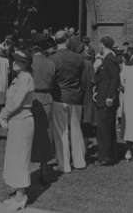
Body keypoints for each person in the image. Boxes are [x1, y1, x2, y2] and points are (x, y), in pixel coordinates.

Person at [0, 50, 35, 211]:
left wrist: (3, 115)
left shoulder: (25, 78)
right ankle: (17, 192)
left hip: (22, 118)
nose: (13, 63)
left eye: (17, 61)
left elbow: (16, 102)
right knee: (14, 157)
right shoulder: (19, 78)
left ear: (25, 63)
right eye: (13, 60)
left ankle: (21, 197)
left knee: (20, 158)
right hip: (17, 120)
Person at [49, 30, 86, 173]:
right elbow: (83, 79)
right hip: (76, 96)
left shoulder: (52, 58)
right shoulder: (78, 58)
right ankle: (79, 161)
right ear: (67, 40)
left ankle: (64, 164)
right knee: (76, 130)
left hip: (59, 97)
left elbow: (51, 80)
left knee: (61, 132)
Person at [30, 37, 55, 184]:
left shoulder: (29, 62)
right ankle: (44, 165)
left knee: (30, 132)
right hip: (46, 97)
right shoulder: (50, 63)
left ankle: (30, 163)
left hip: (31, 97)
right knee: (45, 133)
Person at [93, 36, 121, 166]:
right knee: (106, 128)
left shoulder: (110, 59)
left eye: (100, 44)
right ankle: (109, 154)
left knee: (104, 129)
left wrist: (110, 96)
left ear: (103, 44)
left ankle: (105, 157)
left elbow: (114, 79)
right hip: (103, 97)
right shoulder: (108, 59)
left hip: (107, 99)